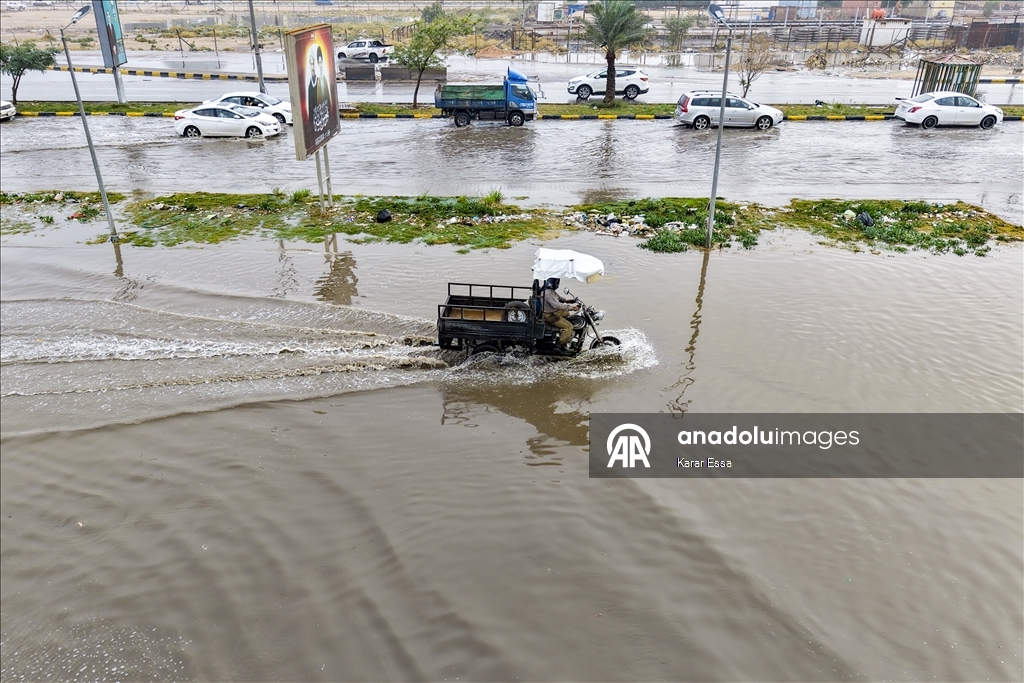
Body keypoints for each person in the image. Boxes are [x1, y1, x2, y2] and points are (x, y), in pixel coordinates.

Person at [541, 277, 579, 351]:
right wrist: (571, 308)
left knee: (567, 314)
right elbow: (557, 305)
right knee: (568, 327)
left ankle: (567, 336)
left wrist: (569, 301)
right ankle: (560, 346)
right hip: (550, 316)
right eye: (557, 283)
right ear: (552, 283)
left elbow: (559, 298)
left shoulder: (551, 292)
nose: (558, 284)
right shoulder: (547, 294)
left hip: (554, 311)